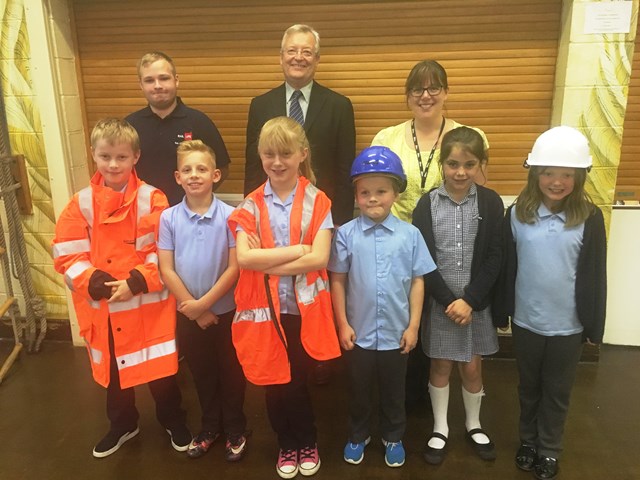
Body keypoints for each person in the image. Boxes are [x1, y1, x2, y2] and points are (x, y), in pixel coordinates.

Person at [52, 118, 190, 458]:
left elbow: (164, 251)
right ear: (94, 157)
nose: (113, 164)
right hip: (104, 309)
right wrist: (96, 282)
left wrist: (135, 281)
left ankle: (173, 420)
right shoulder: (80, 203)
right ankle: (123, 424)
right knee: (114, 375)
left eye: (121, 157)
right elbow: (67, 254)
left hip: (146, 306)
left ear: (136, 157)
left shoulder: (152, 199)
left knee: (161, 373)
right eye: (105, 156)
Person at [372, 59, 490, 413]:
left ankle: (432, 400)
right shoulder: (387, 138)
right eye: (417, 89)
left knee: (437, 318)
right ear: (407, 95)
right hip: (395, 244)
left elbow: (479, 195)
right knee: (401, 317)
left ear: (446, 92)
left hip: (449, 247)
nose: (425, 95)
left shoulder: (470, 136)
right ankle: (401, 395)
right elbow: (373, 193)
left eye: (433, 87)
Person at [229, 116, 341, 478]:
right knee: (272, 381)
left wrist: (269, 263)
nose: (277, 162)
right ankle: (285, 444)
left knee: (296, 380)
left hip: (302, 312)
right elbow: (244, 258)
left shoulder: (318, 200)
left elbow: (320, 258)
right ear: (260, 156)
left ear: (302, 154)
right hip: (265, 311)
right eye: (269, 154)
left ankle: (306, 440)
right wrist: (297, 250)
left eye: (285, 154)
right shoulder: (249, 205)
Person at [495, 126, 607, 480]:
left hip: (568, 327)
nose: (556, 181)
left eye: (566, 174)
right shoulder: (516, 214)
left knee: (557, 392)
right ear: (534, 174)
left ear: (579, 176)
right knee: (528, 388)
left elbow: (595, 276)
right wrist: (503, 313)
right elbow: (506, 267)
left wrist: (595, 326)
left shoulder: (589, 219)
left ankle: (549, 449)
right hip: (528, 322)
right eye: (548, 173)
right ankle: (528, 442)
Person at [328, 146, 436, 468]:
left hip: (396, 332)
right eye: (365, 192)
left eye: (381, 191)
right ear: (356, 195)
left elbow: (418, 281)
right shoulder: (346, 235)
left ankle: (393, 436)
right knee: (359, 390)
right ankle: (358, 435)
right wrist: (342, 324)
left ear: (396, 193)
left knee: (394, 390)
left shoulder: (410, 235)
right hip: (358, 332)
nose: (373, 198)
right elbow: (337, 280)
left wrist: (413, 326)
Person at [412, 127, 503, 465]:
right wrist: (449, 300)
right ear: (442, 164)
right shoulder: (427, 204)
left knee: (472, 366)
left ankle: (473, 424)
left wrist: (472, 300)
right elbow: (422, 257)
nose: (461, 172)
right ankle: (440, 428)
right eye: (452, 164)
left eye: (469, 164)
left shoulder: (491, 203)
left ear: (481, 163)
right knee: (440, 363)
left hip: (476, 303)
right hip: (441, 302)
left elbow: (496, 256)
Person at [157, 140, 247, 461]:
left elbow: (236, 267)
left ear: (216, 174)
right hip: (189, 315)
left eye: (202, 169)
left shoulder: (232, 217)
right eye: (187, 169)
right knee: (202, 374)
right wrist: (193, 310)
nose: (194, 175)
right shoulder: (168, 218)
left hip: (226, 314)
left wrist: (206, 304)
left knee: (232, 373)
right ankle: (210, 427)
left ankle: (235, 428)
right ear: (177, 177)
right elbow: (166, 269)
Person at [244, 24, 356, 227]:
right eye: (292, 51)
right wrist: (250, 218)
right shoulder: (260, 105)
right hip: (270, 218)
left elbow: (344, 171)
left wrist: (340, 223)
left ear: (317, 59)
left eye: (307, 52)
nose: (298, 57)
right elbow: (253, 169)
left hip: (323, 218)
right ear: (281, 57)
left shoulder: (339, 106)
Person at [127, 51, 231, 206]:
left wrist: (196, 196)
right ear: (141, 85)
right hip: (143, 215)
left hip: (188, 214)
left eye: (164, 78)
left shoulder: (199, 122)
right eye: (149, 80)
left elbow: (222, 168)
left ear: (176, 80)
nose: (157, 86)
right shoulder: (130, 126)